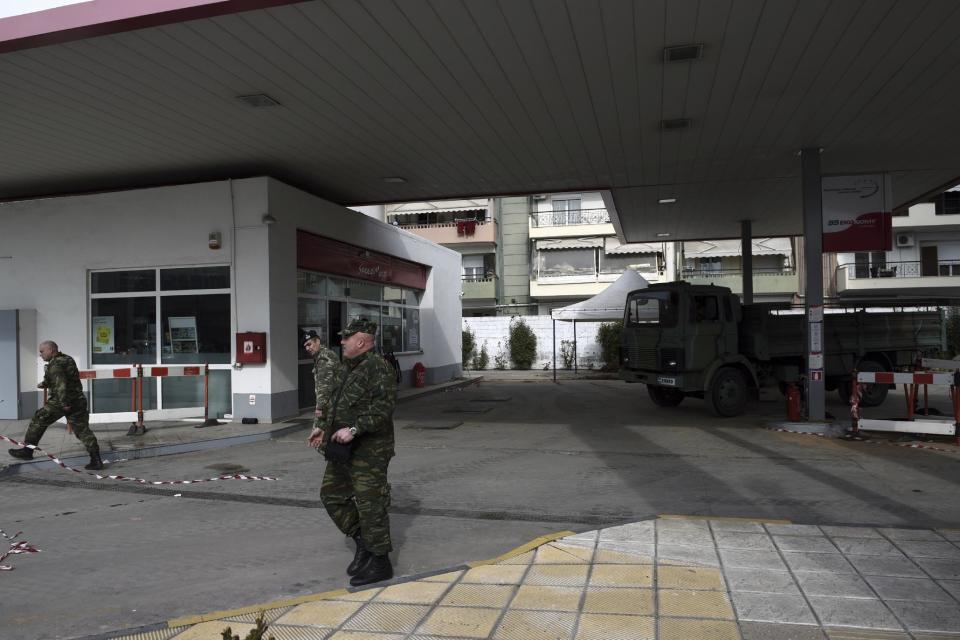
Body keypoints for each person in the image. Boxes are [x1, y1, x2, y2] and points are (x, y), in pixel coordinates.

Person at [319, 318, 398, 587]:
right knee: (331, 495)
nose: (341, 341)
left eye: (346, 338)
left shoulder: (378, 368)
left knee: (370, 503)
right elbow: (334, 402)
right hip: (344, 448)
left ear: (361, 342)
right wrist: (321, 428)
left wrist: (354, 428)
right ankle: (363, 541)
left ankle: (380, 562)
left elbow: (382, 409)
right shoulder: (348, 367)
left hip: (370, 450)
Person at [8, 341, 103, 470]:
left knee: (38, 419)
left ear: (51, 350)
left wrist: (64, 403)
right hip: (78, 400)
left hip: (61, 401)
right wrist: (44, 383)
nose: (40, 354)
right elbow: (64, 378)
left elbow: (61, 384)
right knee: (82, 430)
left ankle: (27, 451)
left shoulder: (54, 364)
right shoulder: (67, 359)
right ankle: (96, 459)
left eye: (42, 351)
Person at [303, 329, 341, 449]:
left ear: (317, 341)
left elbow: (325, 388)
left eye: (309, 344)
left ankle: (339, 464)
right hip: (332, 405)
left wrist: (320, 410)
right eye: (305, 346)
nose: (307, 348)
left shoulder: (324, 358)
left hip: (330, 406)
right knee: (326, 441)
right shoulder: (322, 356)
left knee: (320, 441)